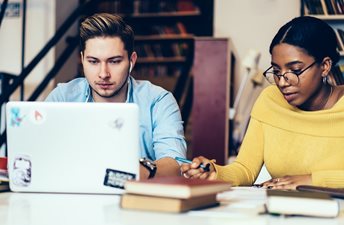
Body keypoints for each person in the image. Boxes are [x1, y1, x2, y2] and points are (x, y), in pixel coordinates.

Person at [181, 16, 344, 190]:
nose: (282, 82)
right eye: (276, 70)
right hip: (281, 211)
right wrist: (214, 173)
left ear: (325, 66)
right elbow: (245, 169)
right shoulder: (270, 100)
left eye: (295, 70)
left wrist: (312, 181)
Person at [46, 13, 186, 179]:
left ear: (131, 61)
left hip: (136, 200)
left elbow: (176, 163)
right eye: (93, 61)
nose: (103, 74)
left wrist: (137, 172)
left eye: (114, 61)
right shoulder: (62, 97)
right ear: (82, 59)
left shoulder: (158, 100)